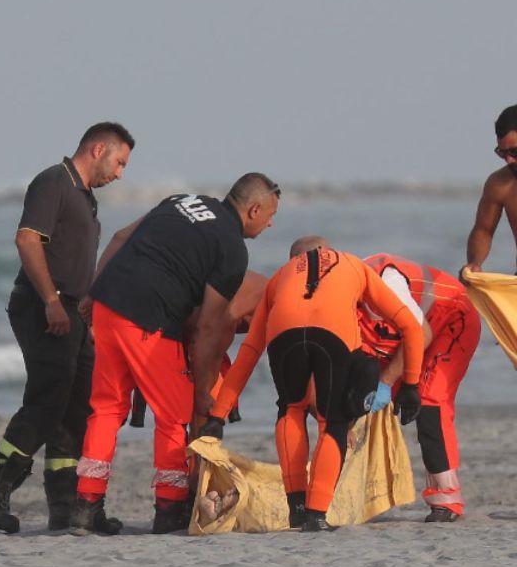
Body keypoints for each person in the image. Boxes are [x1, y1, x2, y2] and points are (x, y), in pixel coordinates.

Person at [70, 174, 280, 535]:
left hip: (107, 304)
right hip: (149, 319)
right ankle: (169, 510)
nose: (270, 223)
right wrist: (202, 392)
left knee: (106, 408)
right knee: (173, 415)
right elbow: (211, 326)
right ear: (254, 209)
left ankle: (86, 507)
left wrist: (94, 290)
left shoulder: (181, 201)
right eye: (270, 215)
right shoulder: (232, 249)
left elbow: (121, 237)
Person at [0, 122, 134, 534]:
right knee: (47, 399)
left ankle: (65, 507)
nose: (120, 173)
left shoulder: (85, 197)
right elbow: (26, 240)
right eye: (119, 162)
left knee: (77, 410)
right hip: (42, 307)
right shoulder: (53, 182)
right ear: (98, 149)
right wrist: (52, 301)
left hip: (75, 311)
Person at [201, 236, 425, 532]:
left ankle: (296, 509)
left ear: (294, 260)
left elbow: (250, 352)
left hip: (285, 334)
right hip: (333, 335)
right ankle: (316, 515)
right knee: (334, 421)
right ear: (325, 250)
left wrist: (218, 415)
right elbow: (410, 325)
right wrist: (410, 385)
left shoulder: (280, 278)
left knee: (290, 409)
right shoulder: (353, 264)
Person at [357, 253, 481, 522]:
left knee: (428, 402)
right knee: (358, 400)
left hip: (451, 320)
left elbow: (419, 333)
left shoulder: (386, 282)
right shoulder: (330, 295)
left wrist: (403, 384)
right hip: (403, 334)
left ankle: (447, 499)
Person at [465, 104, 517, 274]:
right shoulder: (499, 183)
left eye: (514, 152)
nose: (508, 160)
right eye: (502, 153)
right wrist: (474, 263)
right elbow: (483, 230)